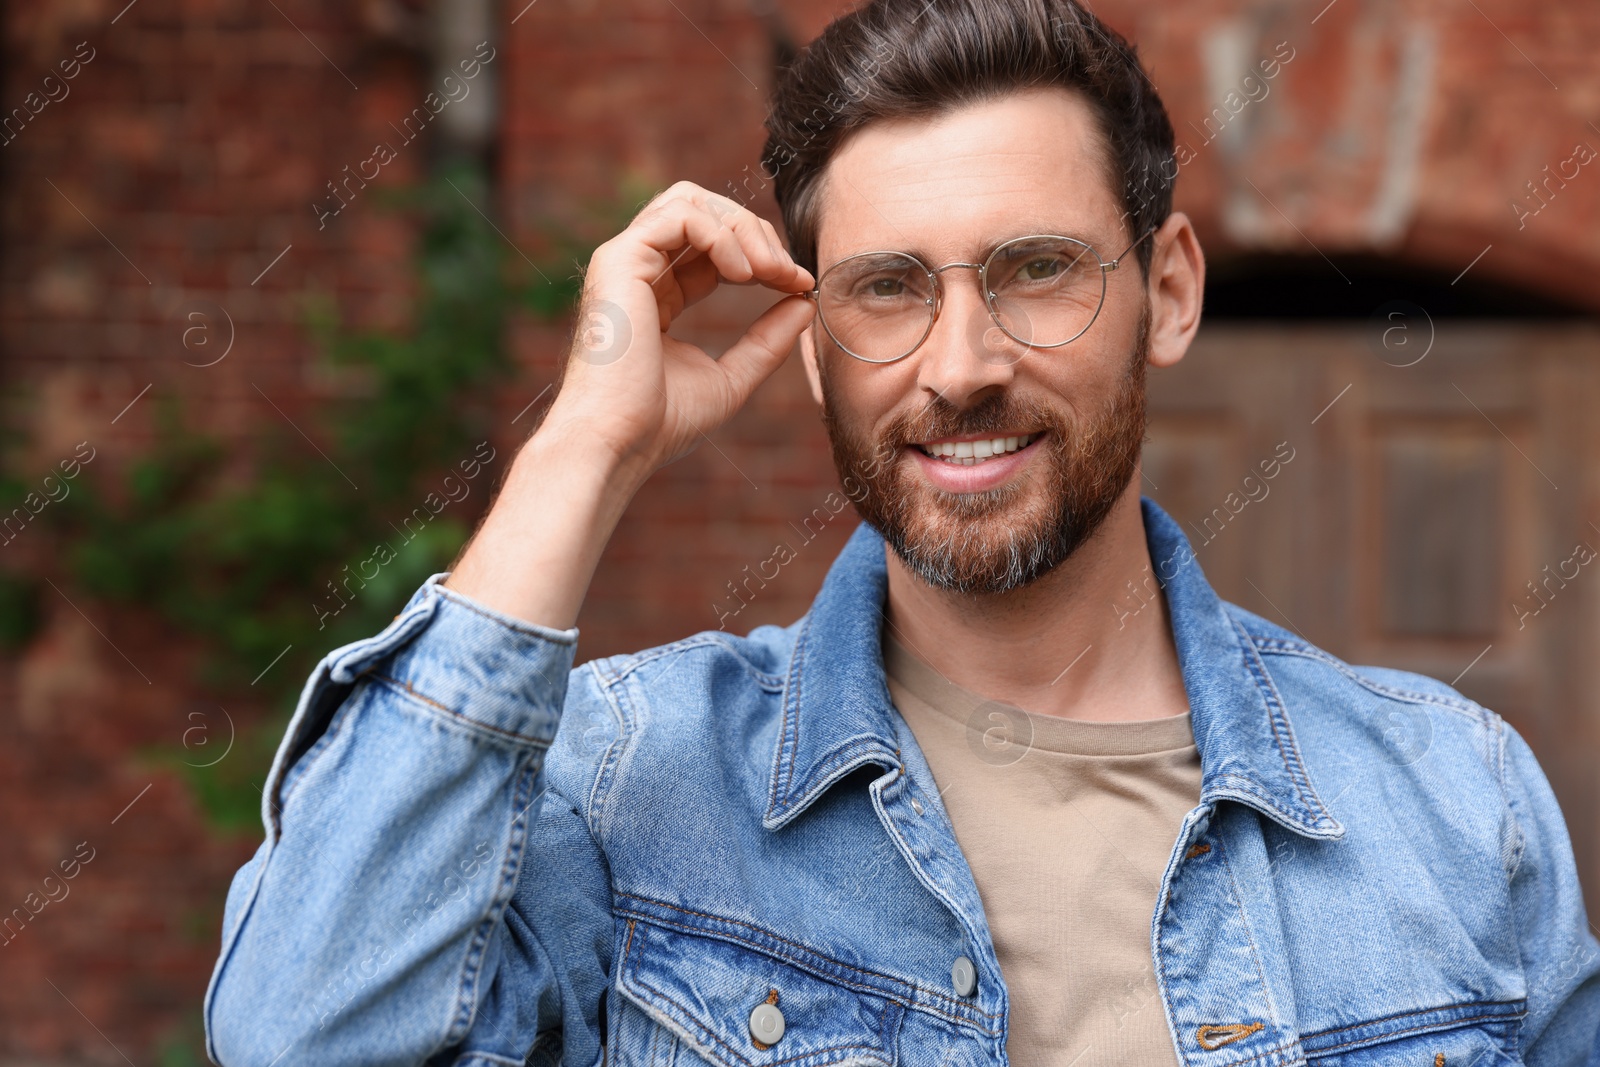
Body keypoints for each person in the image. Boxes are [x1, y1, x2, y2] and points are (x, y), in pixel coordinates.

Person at [204, 0, 1600, 1063]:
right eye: (885, 291)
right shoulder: (619, 789)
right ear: (811, 345)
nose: (961, 363)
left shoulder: (1458, 807)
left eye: (1036, 270)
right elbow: (303, 1035)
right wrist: (582, 447)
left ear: (1169, 293)